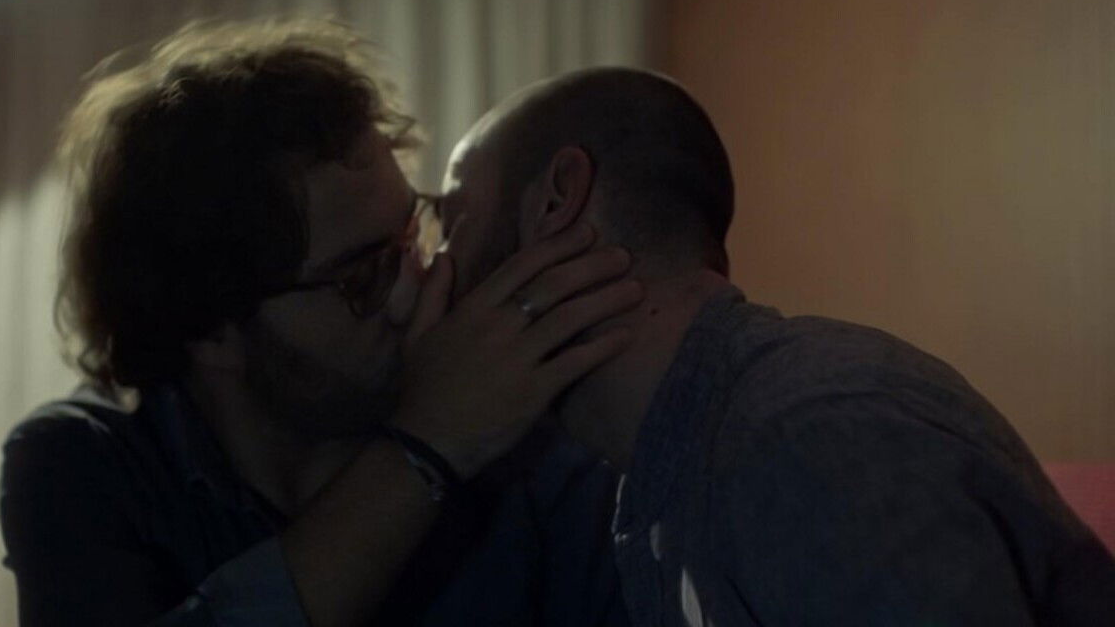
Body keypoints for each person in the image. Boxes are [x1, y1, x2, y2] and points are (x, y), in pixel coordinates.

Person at [0, 20, 641, 626]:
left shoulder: (524, 450)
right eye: (362, 277)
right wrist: (426, 449)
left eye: (412, 235)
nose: (413, 293)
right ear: (212, 328)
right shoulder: (86, 463)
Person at [437, 66, 1115, 626]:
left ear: (557, 201)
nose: (434, 270)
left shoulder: (806, 439)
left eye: (452, 219)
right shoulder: (674, 470)